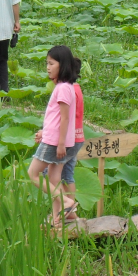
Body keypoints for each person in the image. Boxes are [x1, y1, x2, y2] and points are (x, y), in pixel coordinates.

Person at [27, 45, 78, 228]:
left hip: (55, 142)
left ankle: (67, 202)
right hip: (56, 139)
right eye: (46, 63)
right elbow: (57, 118)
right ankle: (61, 216)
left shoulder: (63, 88)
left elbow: (65, 118)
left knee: (33, 173)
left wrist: (61, 143)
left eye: (51, 63)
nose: (48, 67)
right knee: (54, 178)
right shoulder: (66, 86)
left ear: (62, 65)